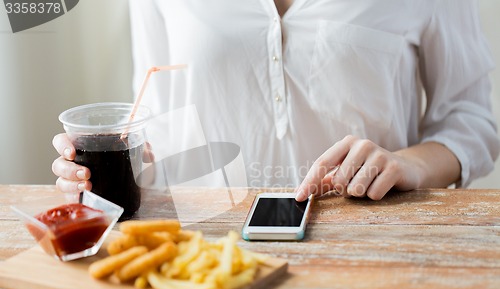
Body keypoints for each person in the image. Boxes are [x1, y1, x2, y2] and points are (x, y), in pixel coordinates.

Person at [52, 0, 499, 202]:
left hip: (372, 241)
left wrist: (410, 164)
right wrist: (102, 176)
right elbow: (162, 123)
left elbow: (472, 119)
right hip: (212, 254)